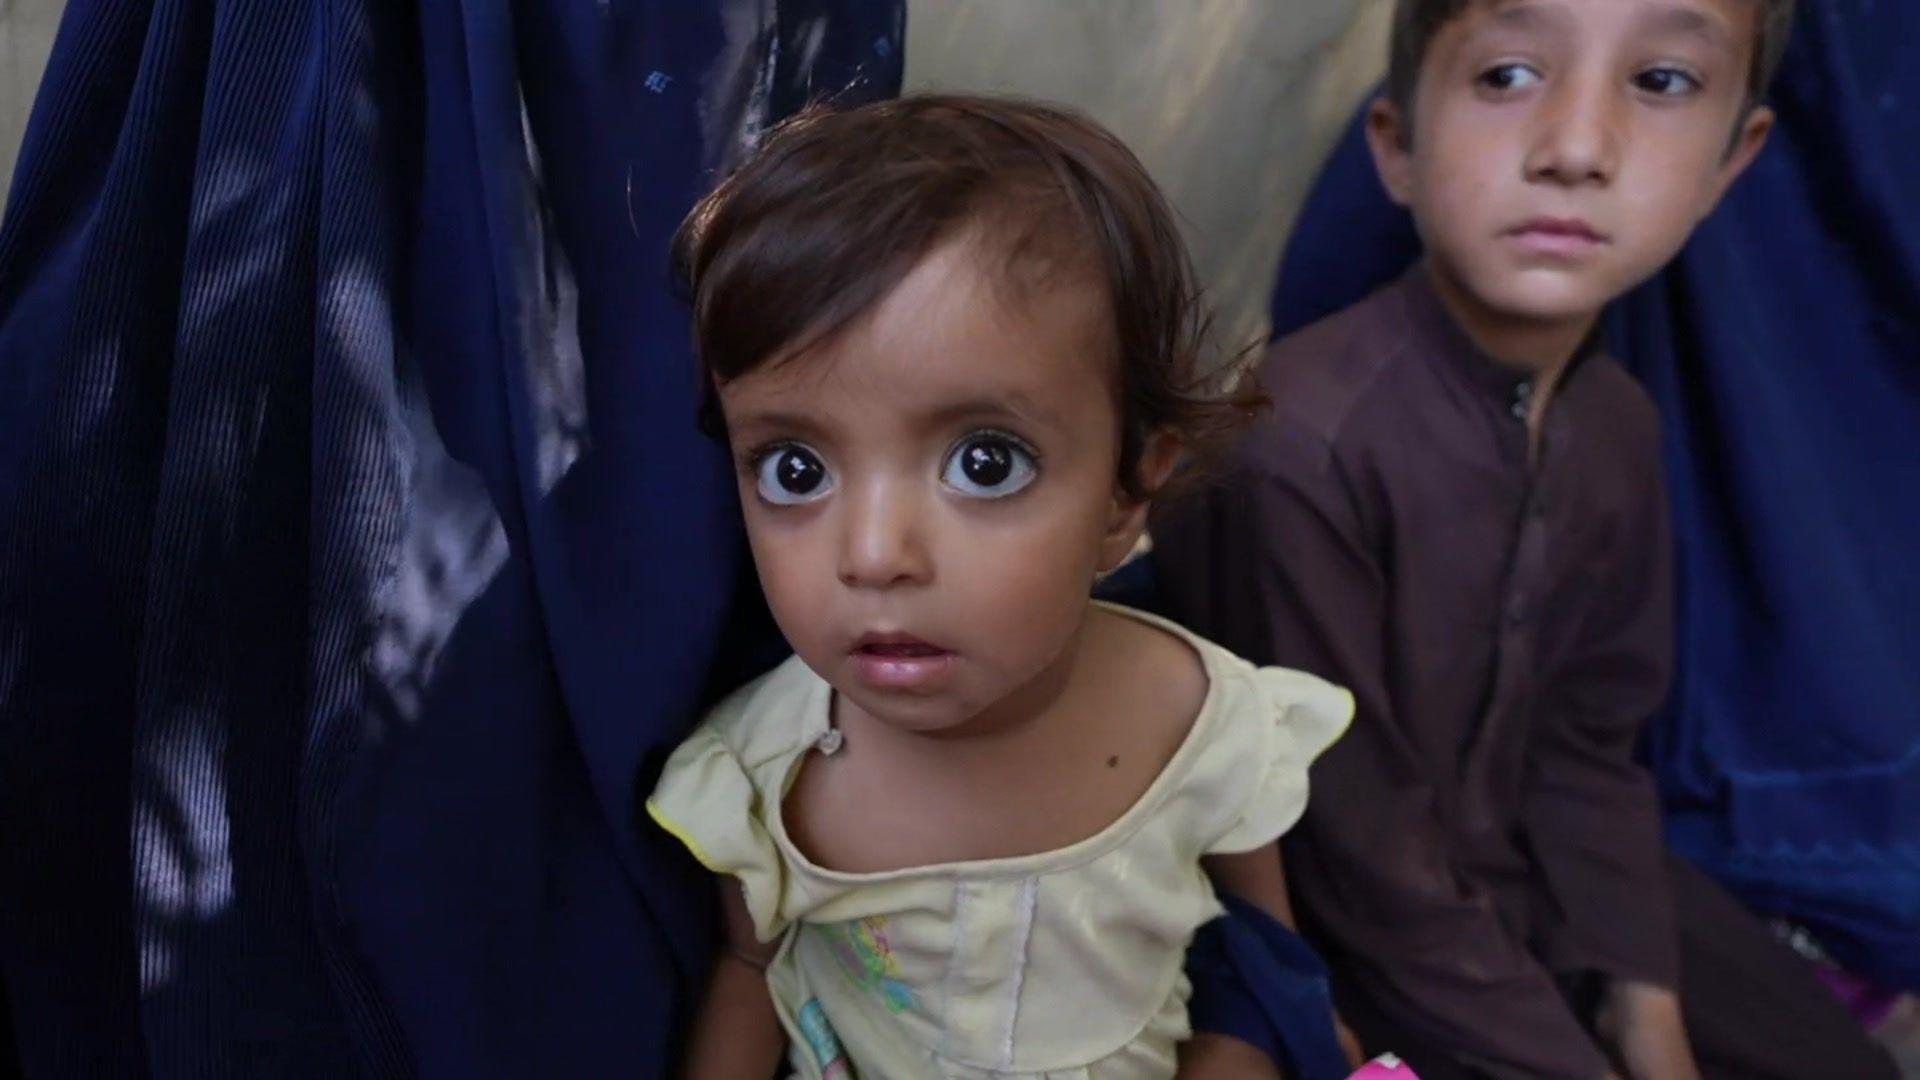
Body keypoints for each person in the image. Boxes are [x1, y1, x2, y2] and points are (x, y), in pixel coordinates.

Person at [1153, 0, 1899, 1077]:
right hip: (1350, 940)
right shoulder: (1299, 447)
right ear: (1397, 147)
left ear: (1730, 166)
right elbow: (1353, 859)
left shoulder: (1614, 424)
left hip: (1537, 877)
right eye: (1506, 75)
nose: (1576, 150)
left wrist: (1650, 1022)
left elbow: (1590, 743)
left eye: (1662, 82)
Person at [645, 95, 1354, 1079]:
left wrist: (1266, 1042)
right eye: (795, 470)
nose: (875, 553)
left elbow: (1266, 954)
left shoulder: (1197, 714)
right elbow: (747, 963)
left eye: (985, 462)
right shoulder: (764, 775)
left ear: (1125, 493)